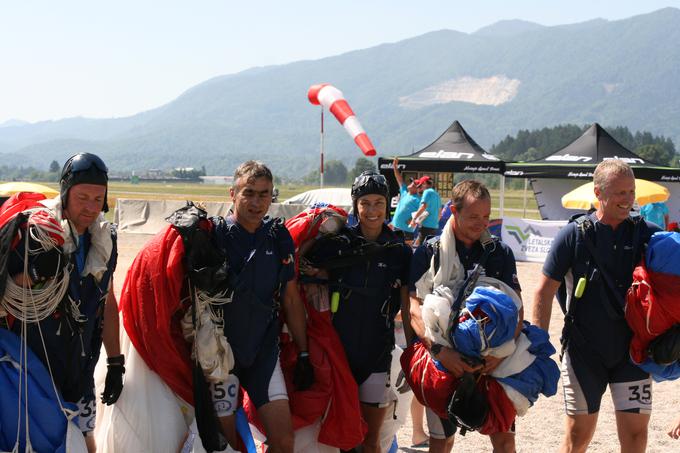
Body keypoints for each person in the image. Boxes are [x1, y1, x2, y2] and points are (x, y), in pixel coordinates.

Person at [532, 159, 661, 453]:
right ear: (598, 193)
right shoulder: (573, 235)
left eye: (631, 192)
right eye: (619, 193)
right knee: (578, 437)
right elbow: (543, 291)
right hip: (584, 353)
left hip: (634, 353)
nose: (628, 200)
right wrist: (539, 346)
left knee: (636, 436)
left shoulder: (647, 235)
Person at [3, 152, 122, 453]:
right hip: (31, 365)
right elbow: (6, 295)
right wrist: (32, 273)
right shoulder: (35, 234)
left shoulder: (103, 241)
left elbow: (106, 301)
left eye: (98, 199)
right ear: (66, 193)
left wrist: (116, 361)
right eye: (83, 197)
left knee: (84, 437)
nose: (91, 207)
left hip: (79, 364)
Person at [301, 171, 413, 453]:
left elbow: (410, 304)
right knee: (341, 438)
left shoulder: (399, 251)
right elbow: (300, 262)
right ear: (356, 205)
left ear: (388, 205)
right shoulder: (338, 244)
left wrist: (413, 351)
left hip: (376, 355)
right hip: (338, 356)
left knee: (370, 441)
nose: (372, 210)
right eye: (365, 203)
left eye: (378, 202)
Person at [409, 179, 522, 453]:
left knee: (505, 441)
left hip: (493, 361)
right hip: (444, 360)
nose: (482, 223)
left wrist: (502, 354)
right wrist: (438, 351)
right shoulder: (430, 251)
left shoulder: (499, 253)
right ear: (453, 211)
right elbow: (412, 305)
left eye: (486, 216)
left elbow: (516, 309)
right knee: (442, 441)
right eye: (473, 216)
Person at [210, 160, 313, 452]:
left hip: (263, 354)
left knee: (284, 440)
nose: (256, 202)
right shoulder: (213, 236)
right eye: (249, 193)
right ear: (233, 193)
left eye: (264, 194)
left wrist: (304, 352)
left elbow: (291, 298)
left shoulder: (278, 237)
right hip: (221, 355)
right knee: (227, 444)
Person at [389, 157, 421, 242]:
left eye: (413, 184)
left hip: (406, 231)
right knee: (394, 251)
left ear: (417, 189)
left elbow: (425, 212)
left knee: (407, 253)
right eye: (412, 182)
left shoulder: (418, 199)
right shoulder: (404, 192)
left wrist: (413, 220)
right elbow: (399, 179)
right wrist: (395, 167)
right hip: (395, 227)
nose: (411, 183)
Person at [409, 175, 442, 246]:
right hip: (434, 227)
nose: (421, 188)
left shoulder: (427, 192)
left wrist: (414, 219)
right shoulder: (437, 194)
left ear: (424, 183)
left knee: (422, 248)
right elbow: (440, 214)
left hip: (426, 226)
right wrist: (434, 222)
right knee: (429, 247)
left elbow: (423, 206)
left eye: (421, 185)